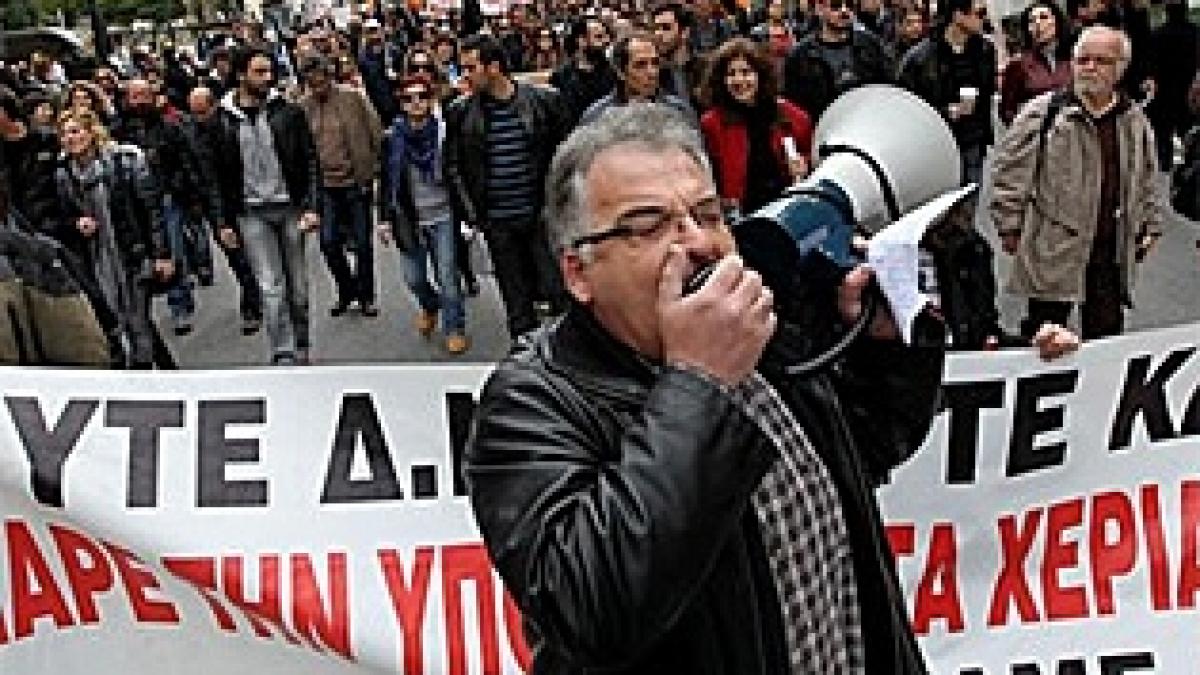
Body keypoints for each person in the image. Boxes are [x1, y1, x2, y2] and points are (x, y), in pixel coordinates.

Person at [465, 103, 943, 674]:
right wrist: (698, 383)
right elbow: (593, 612)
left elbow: (864, 452)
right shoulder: (531, 405)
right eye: (648, 225)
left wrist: (881, 347)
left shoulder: (758, 330)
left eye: (708, 214)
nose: (697, 242)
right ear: (578, 273)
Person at [990, 26, 1164, 340]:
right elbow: (1010, 175)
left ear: (1120, 68)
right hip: (1054, 249)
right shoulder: (1044, 114)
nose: (1090, 68)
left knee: (1106, 339)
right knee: (1045, 338)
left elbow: (1146, 176)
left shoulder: (1133, 119)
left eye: (1101, 60)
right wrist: (1009, 227)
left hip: (1110, 253)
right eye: (1083, 60)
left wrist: (1151, 224)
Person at [444, 34, 570, 339]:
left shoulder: (544, 103)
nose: (465, 76)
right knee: (516, 302)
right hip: (497, 221)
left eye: (471, 68)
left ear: (494, 67)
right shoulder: (461, 112)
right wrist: (473, 214)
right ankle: (526, 361)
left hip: (540, 217)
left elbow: (566, 156)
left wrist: (558, 207)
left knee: (559, 294)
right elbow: (453, 165)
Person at [211, 47, 321, 366]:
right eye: (259, 72)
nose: (267, 78)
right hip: (251, 214)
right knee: (271, 288)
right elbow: (214, 178)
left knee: (298, 290)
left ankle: (301, 343)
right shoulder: (221, 122)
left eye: (269, 71)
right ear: (241, 75)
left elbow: (309, 160)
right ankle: (283, 351)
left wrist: (311, 206)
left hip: (289, 208)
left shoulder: (288, 112)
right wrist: (223, 223)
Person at [49, 109, 175, 368]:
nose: (70, 139)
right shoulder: (64, 174)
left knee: (137, 321)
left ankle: (146, 383)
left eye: (75, 131)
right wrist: (76, 224)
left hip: (131, 254)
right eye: (64, 134)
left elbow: (150, 210)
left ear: (91, 132)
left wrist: (161, 254)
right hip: (97, 261)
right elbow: (61, 219)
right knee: (117, 323)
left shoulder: (124, 161)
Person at [114, 78, 219, 335]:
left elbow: (185, 161)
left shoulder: (168, 128)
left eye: (143, 95)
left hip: (166, 196)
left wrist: (190, 194)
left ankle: (179, 303)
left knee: (171, 249)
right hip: (133, 201)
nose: (139, 102)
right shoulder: (119, 131)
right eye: (134, 96)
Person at [379, 75, 470, 355]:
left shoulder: (445, 133)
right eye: (408, 98)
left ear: (431, 100)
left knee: (447, 275)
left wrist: (468, 214)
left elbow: (459, 173)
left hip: (443, 214)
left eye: (421, 96)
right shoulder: (392, 138)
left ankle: (454, 327)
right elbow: (384, 180)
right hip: (409, 217)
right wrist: (383, 219)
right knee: (413, 278)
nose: (416, 103)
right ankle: (430, 306)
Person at [299, 55, 384, 318]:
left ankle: (367, 295)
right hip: (324, 186)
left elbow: (375, 132)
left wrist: (372, 171)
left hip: (354, 181)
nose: (318, 88)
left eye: (322, 82)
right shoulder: (303, 108)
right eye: (313, 84)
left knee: (362, 242)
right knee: (328, 242)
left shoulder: (353, 98)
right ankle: (347, 290)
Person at [700, 38, 813, 216]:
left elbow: (811, 157)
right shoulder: (712, 123)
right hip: (741, 216)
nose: (739, 80)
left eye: (746, 72)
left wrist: (804, 165)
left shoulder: (792, 116)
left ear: (760, 75)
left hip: (788, 209)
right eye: (731, 74)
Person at [184, 85, 262, 335]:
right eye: (194, 113)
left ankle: (256, 301)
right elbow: (203, 178)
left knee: (253, 254)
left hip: (243, 199)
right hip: (215, 204)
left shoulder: (231, 128)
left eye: (202, 112)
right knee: (237, 257)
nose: (199, 119)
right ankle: (253, 299)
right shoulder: (190, 134)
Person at [897, 0, 995, 188]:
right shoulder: (920, 58)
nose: (985, 19)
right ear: (958, 15)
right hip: (935, 144)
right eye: (980, 13)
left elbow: (987, 92)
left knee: (968, 203)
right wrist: (945, 112)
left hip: (972, 140)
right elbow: (907, 108)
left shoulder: (985, 50)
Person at [783, 0, 895, 119]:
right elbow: (794, 107)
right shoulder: (800, 55)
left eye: (850, 6)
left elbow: (886, 89)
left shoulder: (871, 45)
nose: (844, 11)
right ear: (819, 9)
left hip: (865, 122)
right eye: (835, 6)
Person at [578, 31, 697, 127]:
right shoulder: (597, 117)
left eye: (655, 63)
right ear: (620, 72)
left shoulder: (679, 112)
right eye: (641, 65)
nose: (652, 72)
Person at [999, 1, 1073, 126]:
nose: (1038, 24)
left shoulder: (1074, 59)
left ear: (1057, 22)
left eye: (1043, 17)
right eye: (1031, 21)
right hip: (1036, 135)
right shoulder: (1018, 64)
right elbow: (1007, 111)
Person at [1145, 0, 1199, 170]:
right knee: (1189, 132)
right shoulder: (1196, 33)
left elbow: (1151, 64)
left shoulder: (1157, 35)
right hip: (1188, 88)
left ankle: (1165, 165)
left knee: (1163, 134)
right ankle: (1189, 164)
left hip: (1165, 91)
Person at [550, 17, 617, 124]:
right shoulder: (562, 76)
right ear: (581, 40)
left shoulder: (615, 71)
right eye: (599, 37)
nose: (606, 41)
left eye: (606, 36)